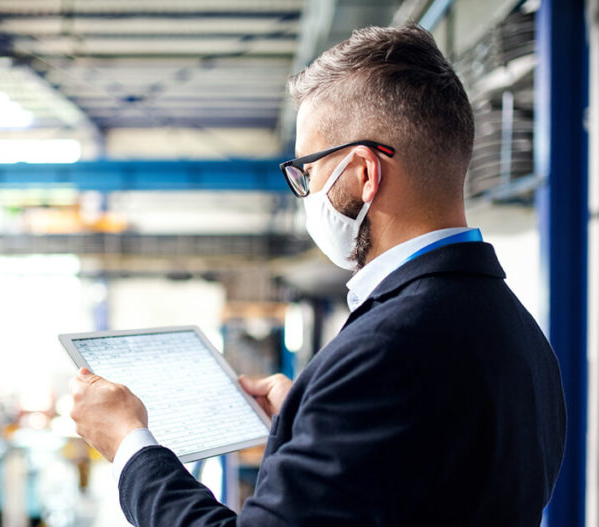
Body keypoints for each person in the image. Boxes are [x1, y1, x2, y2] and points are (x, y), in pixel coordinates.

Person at [69, 23, 566, 526]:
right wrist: (305, 416)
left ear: (364, 173)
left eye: (307, 170)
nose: (304, 190)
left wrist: (131, 446)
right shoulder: (516, 332)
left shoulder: (392, 347)